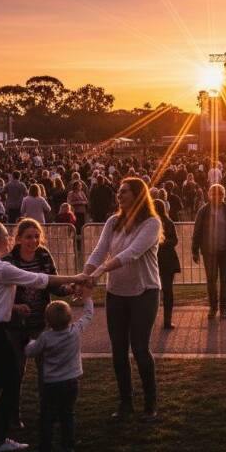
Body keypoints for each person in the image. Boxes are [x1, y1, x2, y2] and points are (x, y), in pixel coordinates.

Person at [0, 222, 85, 452]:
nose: (9, 239)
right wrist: (79, 277)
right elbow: (40, 280)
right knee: (9, 382)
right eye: (5, 236)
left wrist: (13, 308)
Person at [83, 177, 163, 422]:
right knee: (118, 350)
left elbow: (132, 253)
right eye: (118, 191)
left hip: (144, 292)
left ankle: (150, 404)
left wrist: (98, 272)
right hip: (116, 293)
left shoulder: (152, 223)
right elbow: (99, 251)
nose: (119, 195)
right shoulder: (113, 222)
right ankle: (125, 401)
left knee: (139, 348)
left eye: (124, 191)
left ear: (137, 195)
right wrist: (85, 275)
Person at [3, 218, 72, 429]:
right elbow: (1, 293)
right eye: (28, 237)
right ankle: (13, 415)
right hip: (16, 325)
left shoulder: (43, 255)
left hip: (41, 323)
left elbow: (52, 281)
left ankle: (48, 411)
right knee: (16, 371)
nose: (33, 241)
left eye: (36, 236)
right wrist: (16, 307)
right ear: (19, 239)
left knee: (46, 370)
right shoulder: (9, 260)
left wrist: (67, 289)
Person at [24, 285, 94, 452]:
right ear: (69, 318)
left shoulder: (46, 338)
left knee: (47, 416)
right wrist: (87, 298)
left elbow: (30, 352)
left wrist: (29, 340)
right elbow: (88, 315)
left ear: (47, 321)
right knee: (68, 415)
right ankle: (67, 450)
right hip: (71, 381)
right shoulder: (75, 331)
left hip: (52, 383)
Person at [191, 184, 226, 319]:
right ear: (209, 195)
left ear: (223, 195)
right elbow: (196, 231)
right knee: (211, 280)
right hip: (209, 252)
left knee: (225, 280)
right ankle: (213, 308)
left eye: (220, 194)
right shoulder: (203, 211)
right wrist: (195, 250)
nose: (217, 196)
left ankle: (224, 309)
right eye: (213, 194)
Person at [154, 199, 181, 329]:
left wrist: (160, 243)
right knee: (162, 290)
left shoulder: (167, 222)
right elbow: (175, 240)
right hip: (161, 259)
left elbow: (174, 240)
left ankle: (167, 319)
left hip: (165, 259)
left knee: (167, 290)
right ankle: (165, 319)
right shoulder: (152, 223)